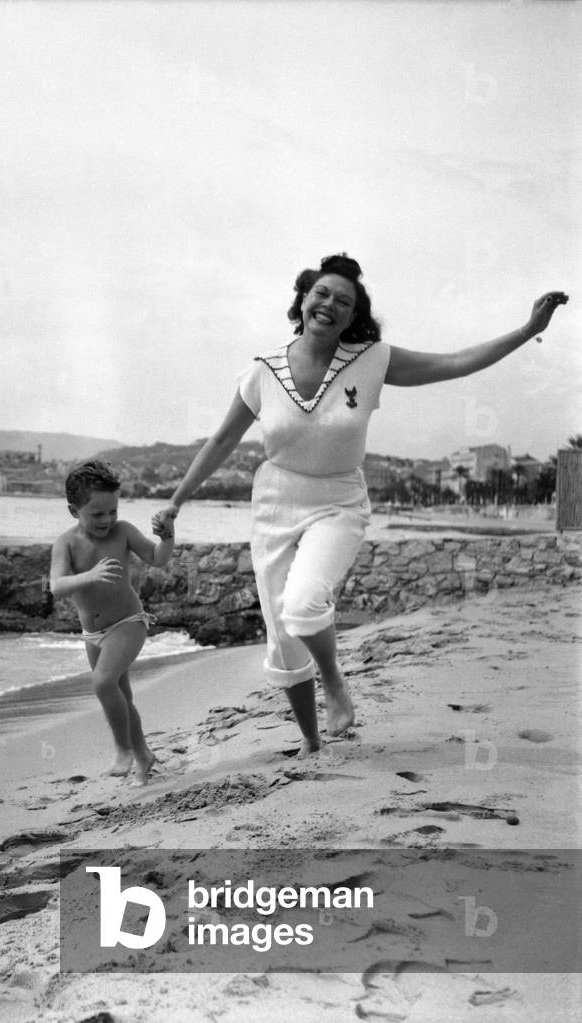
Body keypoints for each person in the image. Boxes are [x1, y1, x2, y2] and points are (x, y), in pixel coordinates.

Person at [153, 253, 568, 753]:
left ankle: (334, 685)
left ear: (353, 317)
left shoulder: (372, 359)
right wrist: (176, 502)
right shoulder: (262, 372)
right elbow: (221, 441)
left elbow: (454, 362)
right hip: (275, 502)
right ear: (302, 299)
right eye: (321, 294)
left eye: (343, 301)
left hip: (338, 501)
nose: (329, 304)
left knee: (305, 601)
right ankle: (310, 741)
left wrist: (527, 330)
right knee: (282, 637)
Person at [51, 459, 175, 783]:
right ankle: (144, 754)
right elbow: (57, 586)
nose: (107, 520)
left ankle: (123, 749)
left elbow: (158, 559)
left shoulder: (123, 533)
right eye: (97, 514)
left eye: (113, 511)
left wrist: (168, 538)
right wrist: (89, 576)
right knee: (121, 697)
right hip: (93, 634)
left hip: (128, 622)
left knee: (103, 683)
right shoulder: (66, 543)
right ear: (72, 510)